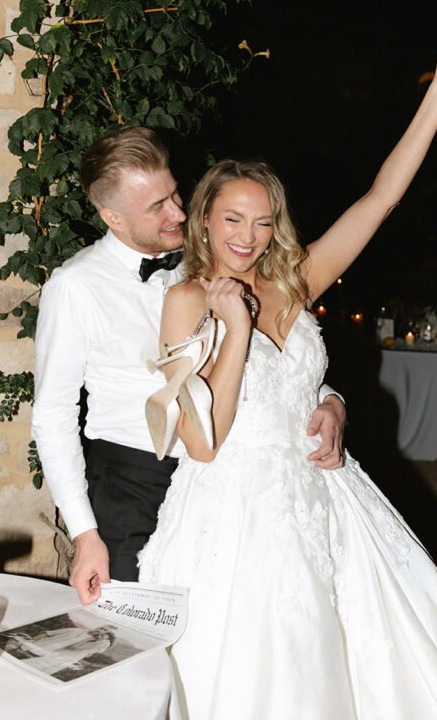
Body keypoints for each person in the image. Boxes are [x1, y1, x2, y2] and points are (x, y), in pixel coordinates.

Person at [137, 27, 437, 720]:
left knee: (382, 658)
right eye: (232, 219)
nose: (246, 236)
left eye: (262, 221)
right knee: (270, 670)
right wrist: (236, 331)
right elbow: (201, 446)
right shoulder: (186, 299)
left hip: (323, 495)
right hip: (236, 513)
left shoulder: (294, 280)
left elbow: (382, 197)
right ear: (204, 218)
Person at [31, 127, 346, 604]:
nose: (177, 212)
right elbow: (52, 418)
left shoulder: (207, 256)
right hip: (134, 483)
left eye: (175, 194)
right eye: (156, 206)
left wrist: (330, 399)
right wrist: (84, 534)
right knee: (134, 640)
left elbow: (268, 363)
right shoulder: (75, 287)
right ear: (111, 216)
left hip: (221, 484)